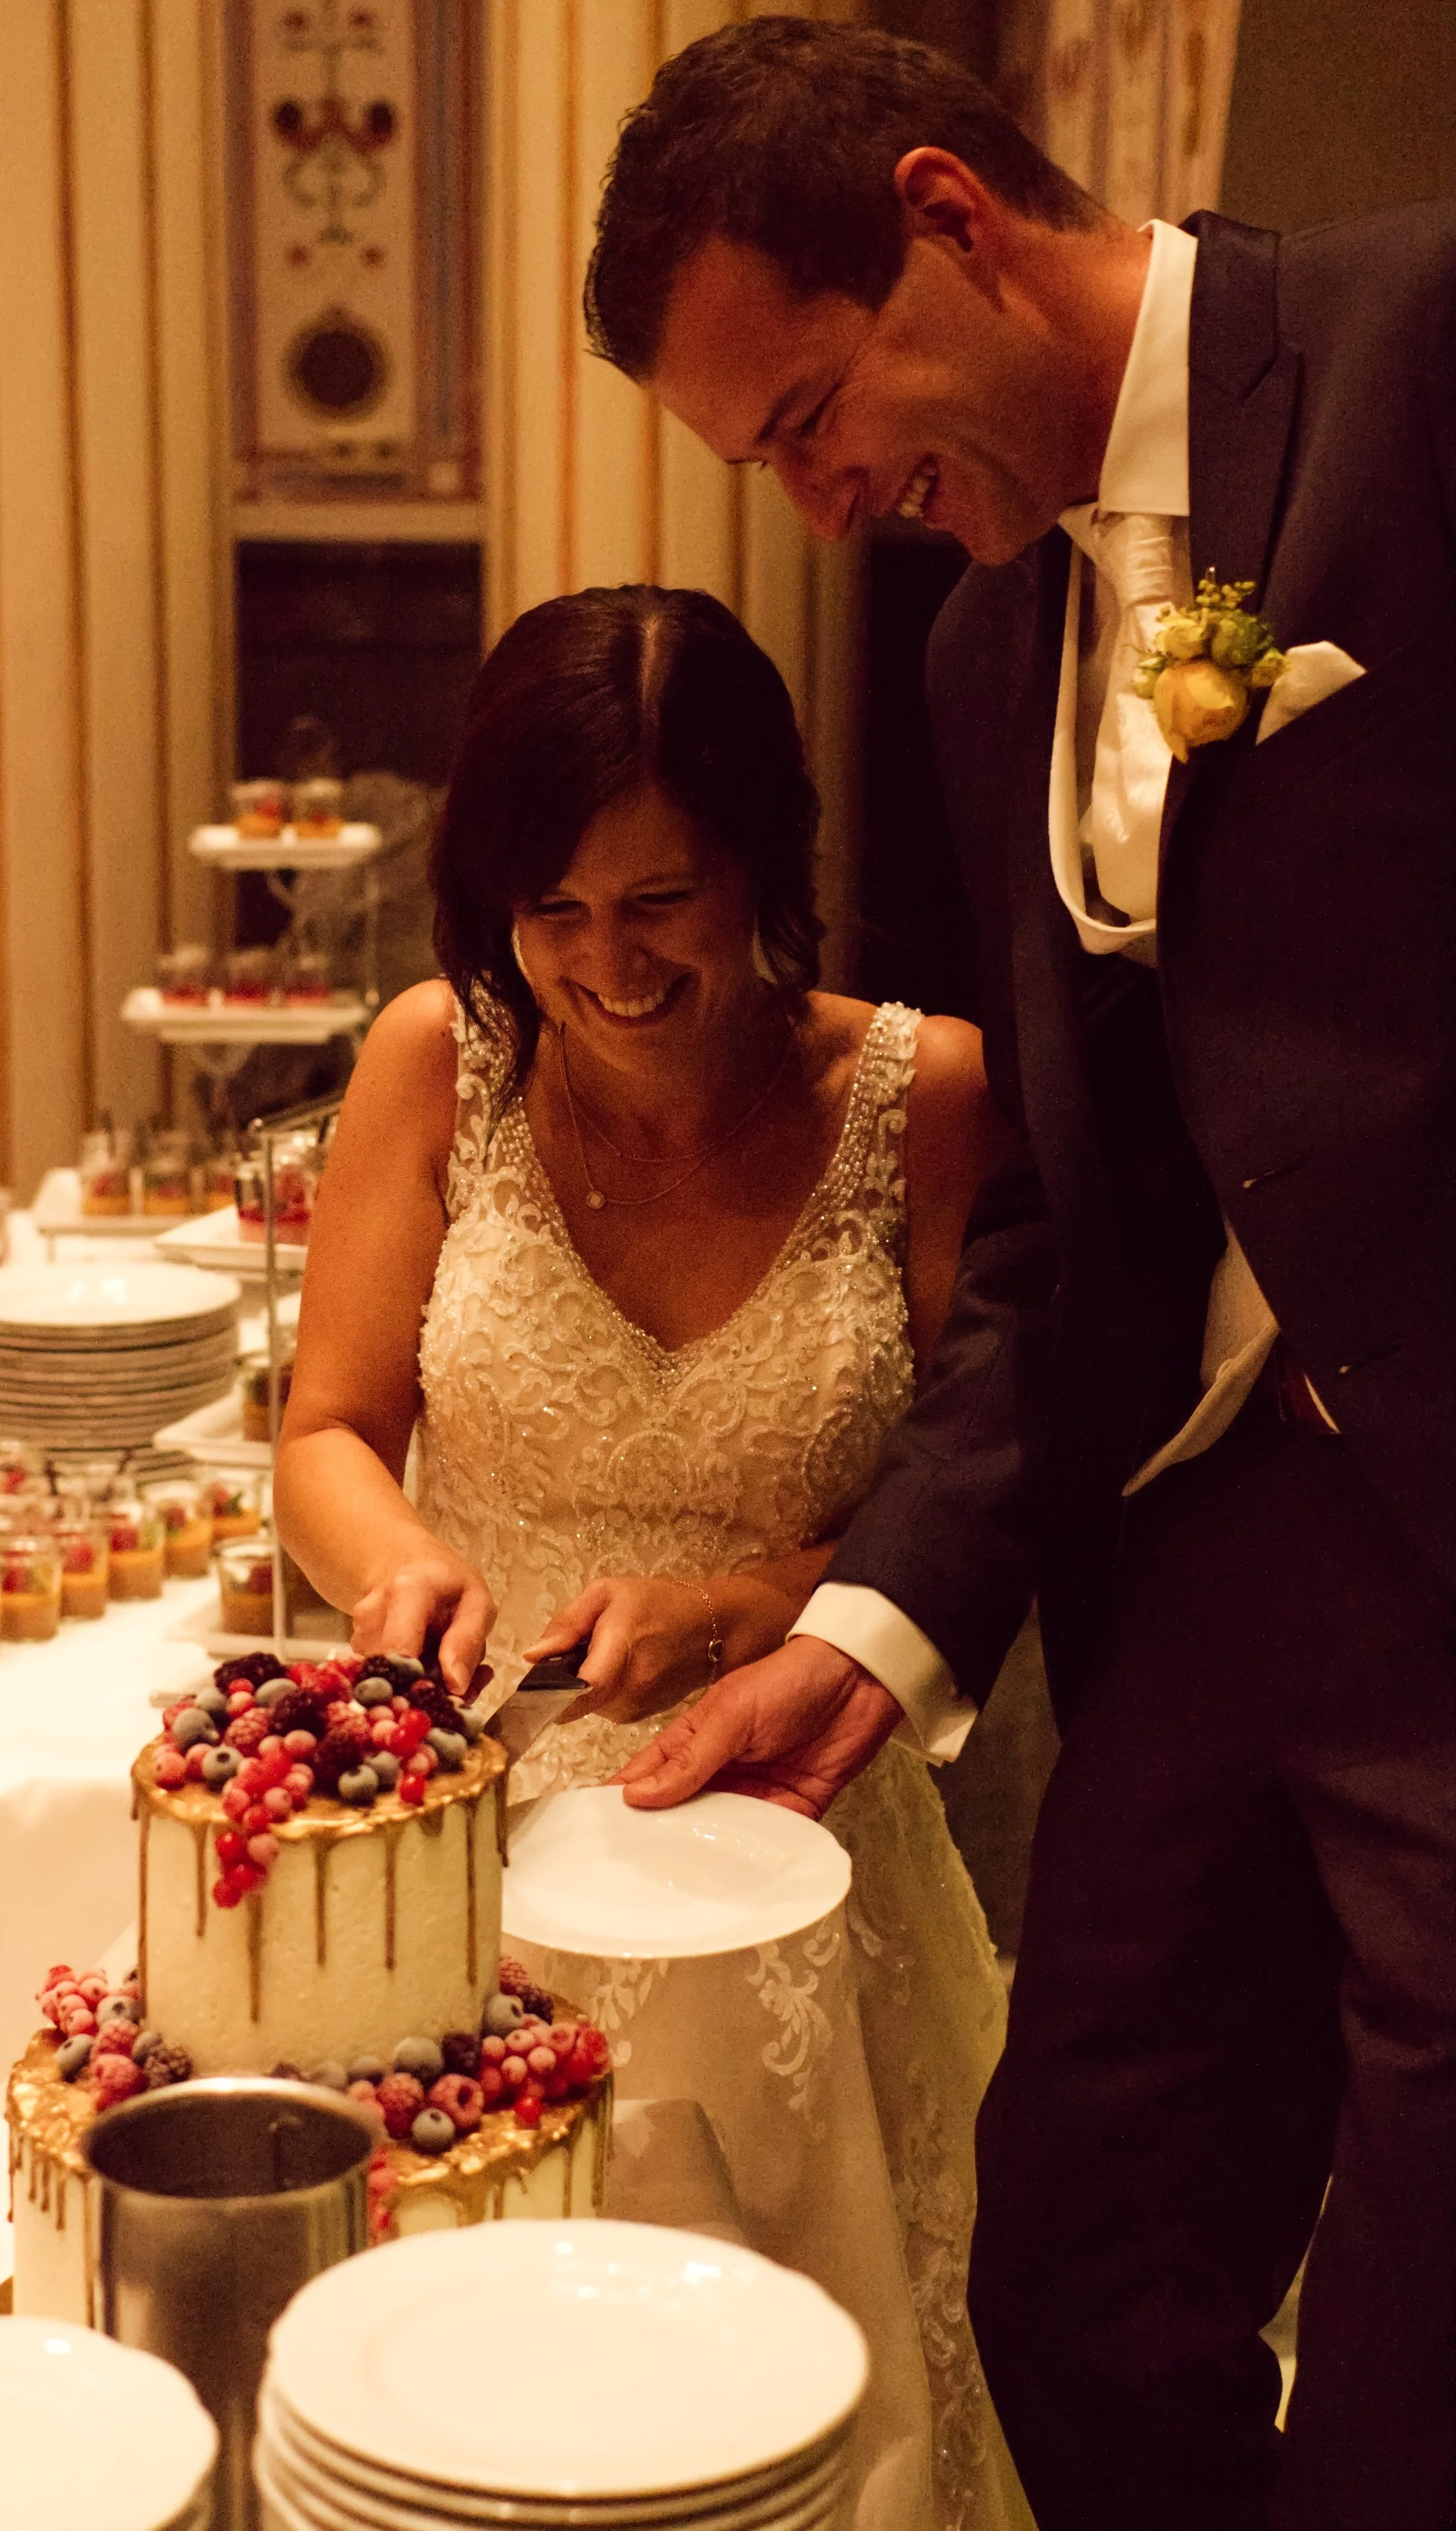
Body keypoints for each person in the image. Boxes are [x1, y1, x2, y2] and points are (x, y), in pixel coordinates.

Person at [582, 19, 1455, 2531]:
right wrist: (872, 1627)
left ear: (946, 219)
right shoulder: (988, 655)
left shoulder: (1410, 351)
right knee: (1074, 2288)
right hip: (1194, 1576)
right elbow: (1075, 1222)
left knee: (1410, 2394)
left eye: (809, 417)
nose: (822, 498)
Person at [276, 583, 1031, 2531]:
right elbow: (327, 1433)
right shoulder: (436, 1063)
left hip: (799, 1845)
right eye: (552, 912)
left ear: (764, 862)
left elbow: (985, 1492)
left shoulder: (929, 1100)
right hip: (487, 1865)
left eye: (660, 901)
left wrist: (746, 1605)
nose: (604, 968)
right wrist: (400, 1567)